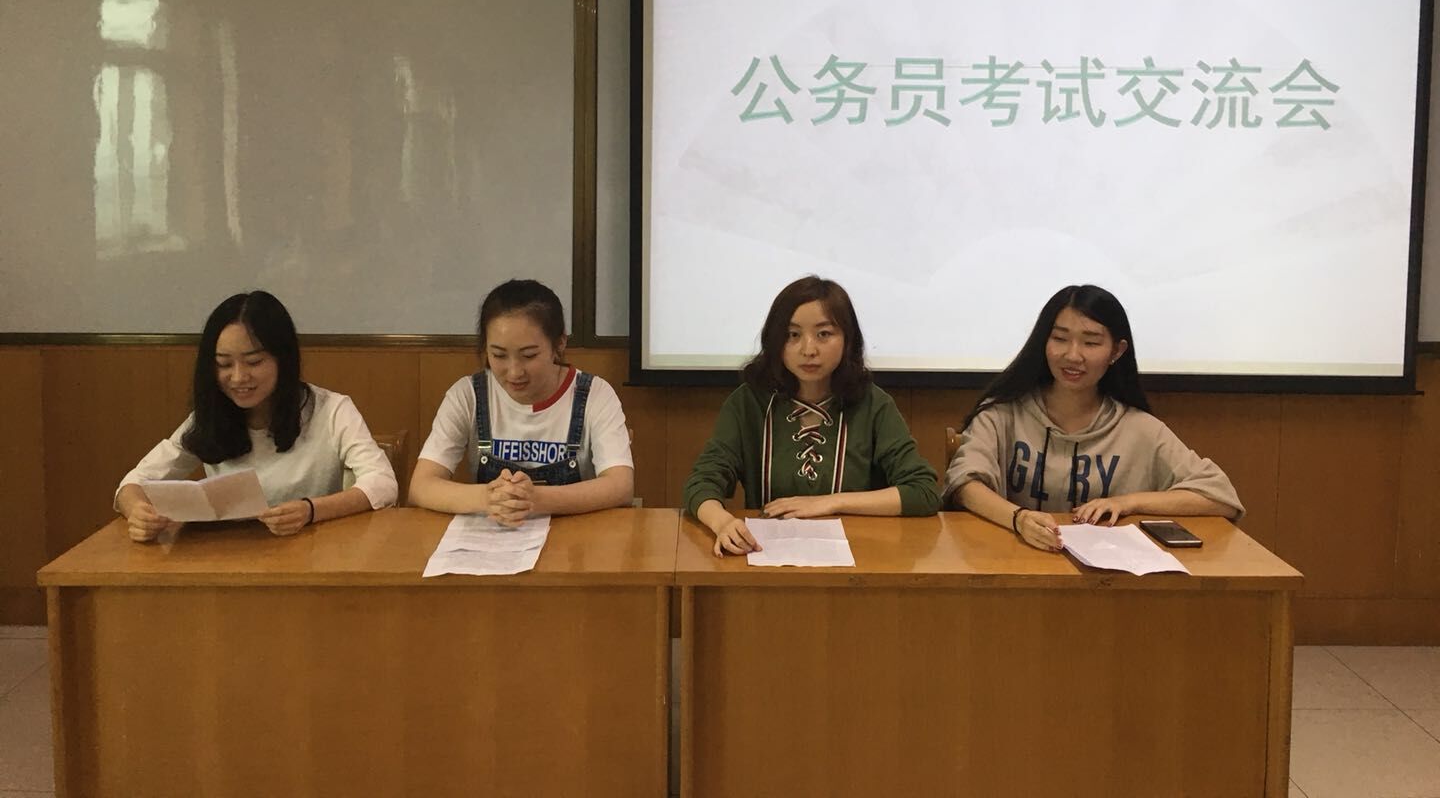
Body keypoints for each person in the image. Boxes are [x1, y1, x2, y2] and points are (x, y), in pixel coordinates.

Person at [945, 284, 1243, 551]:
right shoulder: (1002, 413)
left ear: (1116, 351)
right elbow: (964, 484)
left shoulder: (1139, 428)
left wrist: (1127, 502)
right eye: (1060, 339)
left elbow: (1220, 496)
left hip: (1108, 580)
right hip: (1014, 566)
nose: (1073, 355)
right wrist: (1018, 518)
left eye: (1090, 343)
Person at [684, 275, 941, 556]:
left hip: (860, 557)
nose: (809, 350)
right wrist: (722, 522)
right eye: (792, 335)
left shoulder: (873, 404)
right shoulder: (749, 402)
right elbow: (702, 483)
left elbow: (923, 491)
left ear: (848, 340)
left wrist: (831, 502)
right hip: (767, 554)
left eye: (824, 334)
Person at [116, 291, 397, 542]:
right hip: (227, 559)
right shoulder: (210, 416)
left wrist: (310, 510)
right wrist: (138, 512)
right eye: (224, 364)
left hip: (312, 554)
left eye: (254, 362)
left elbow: (383, 483)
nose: (239, 377)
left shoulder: (332, 410)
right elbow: (133, 483)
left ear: (283, 359)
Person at [408, 279, 633, 524]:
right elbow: (421, 486)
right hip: (490, 537)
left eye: (529, 355)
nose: (514, 372)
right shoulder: (468, 395)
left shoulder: (594, 394)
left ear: (559, 344)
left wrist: (535, 499)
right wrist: (488, 498)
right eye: (499, 355)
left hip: (574, 538)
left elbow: (620, 486)